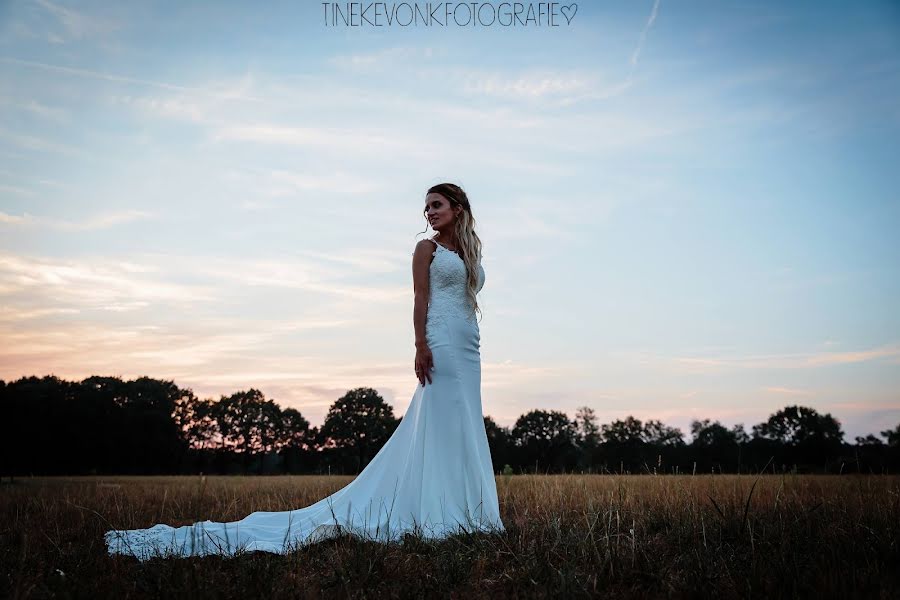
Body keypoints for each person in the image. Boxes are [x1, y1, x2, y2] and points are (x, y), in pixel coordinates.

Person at [104, 182, 505, 560]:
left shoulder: (470, 253)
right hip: (441, 342)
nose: (429, 212)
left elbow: (468, 298)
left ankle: (470, 509)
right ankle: (439, 511)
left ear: (457, 208)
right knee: (439, 417)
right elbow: (420, 300)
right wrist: (420, 345)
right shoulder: (425, 249)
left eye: (437, 205)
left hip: (470, 346)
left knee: (464, 420)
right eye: (427, 207)